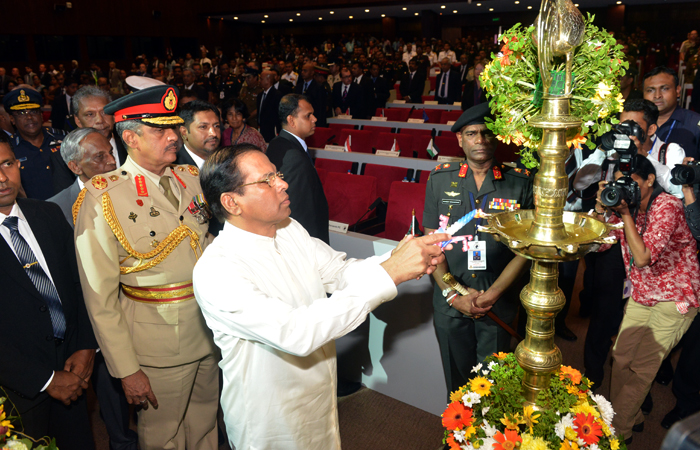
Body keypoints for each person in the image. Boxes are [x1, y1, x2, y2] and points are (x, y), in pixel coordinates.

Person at [193, 143, 451, 450]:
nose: (283, 183)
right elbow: (296, 332)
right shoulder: (217, 269)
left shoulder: (288, 229)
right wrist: (390, 272)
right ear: (231, 202)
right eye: (267, 180)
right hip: (269, 417)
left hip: (319, 397)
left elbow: (339, 271)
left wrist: (395, 259)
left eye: (278, 174)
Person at [73, 85, 219, 450]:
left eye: (174, 127)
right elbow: (100, 297)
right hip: (157, 347)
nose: (174, 136)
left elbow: (207, 246)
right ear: (131, 138)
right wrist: (126, 369)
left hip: (209, 330)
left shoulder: (189, 177)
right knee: (162, 437)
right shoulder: (103, 195)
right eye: (160, 130)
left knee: (205, 426)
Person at [423, 102, 533, 394]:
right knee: (456, 381)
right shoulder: (439, 179)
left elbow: (525, 250)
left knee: (494, 385)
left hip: (497, 302)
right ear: (460, 139)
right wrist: (453, 293)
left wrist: (493, 294)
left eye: (487, 133)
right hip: (450, 303)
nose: (480, 140)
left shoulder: (519, 182)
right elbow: (432, 245)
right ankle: (456, 438)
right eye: (472, 133)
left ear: (497, 137)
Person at [0, 132, 98, 450]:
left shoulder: (47, 214)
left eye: (7, 164)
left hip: (73, 373)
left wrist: (85, 347)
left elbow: (79, 283)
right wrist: (45, 379)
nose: (2, 177)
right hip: (17, 394)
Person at [593, 155, 700, 444]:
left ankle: (617, 431)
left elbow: (642, 258)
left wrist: (625, 214)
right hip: (643, 293)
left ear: (650, 180)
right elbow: (598, 247)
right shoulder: (624, 206)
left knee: (642, 367)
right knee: (620, 357)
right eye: (620, 185)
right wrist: (602, 209)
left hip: (675, 297)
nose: (625, 190)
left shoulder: (667, 205)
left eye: (632, 184)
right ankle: (632, 416)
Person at [267, 94, 329, 244]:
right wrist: (312, 246)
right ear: (291, 120)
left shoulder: (276, 143)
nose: (314, 119)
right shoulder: (294, 156)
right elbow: (301, 209)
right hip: (304, 240)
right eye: (308, 116)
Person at [4, 87, 74, 200]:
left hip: (73, 208)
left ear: (41, 115)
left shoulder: (63, 139)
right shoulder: (9, 149)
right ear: (12, 119)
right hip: (35, 214)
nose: (29, 117)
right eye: (22, 113)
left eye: (33, 111)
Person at [643, 66, 700, 160]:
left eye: (664, 88)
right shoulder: (637, 122)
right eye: (650, 90)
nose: (657, 95)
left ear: (677, 91)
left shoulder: (695, 124)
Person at [72, 85, 128, 168]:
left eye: (104, 112)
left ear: (113, 116)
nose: (100, 120)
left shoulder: (132, 149)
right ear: (78, 121)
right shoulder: (69, 157)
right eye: (90, 114)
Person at [176, 100, 221, 167]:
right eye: (203, 127)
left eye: (216, 126)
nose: (213, 133)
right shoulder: (174, 167)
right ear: (184, 132)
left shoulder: (226, 162)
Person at [257, 70, 283, 142]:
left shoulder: (277, 95)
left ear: (268, 80)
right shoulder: (260, 95)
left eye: (261, 79)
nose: (259, 81)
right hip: (261, 129)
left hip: (272, 131)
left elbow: (278, 115)